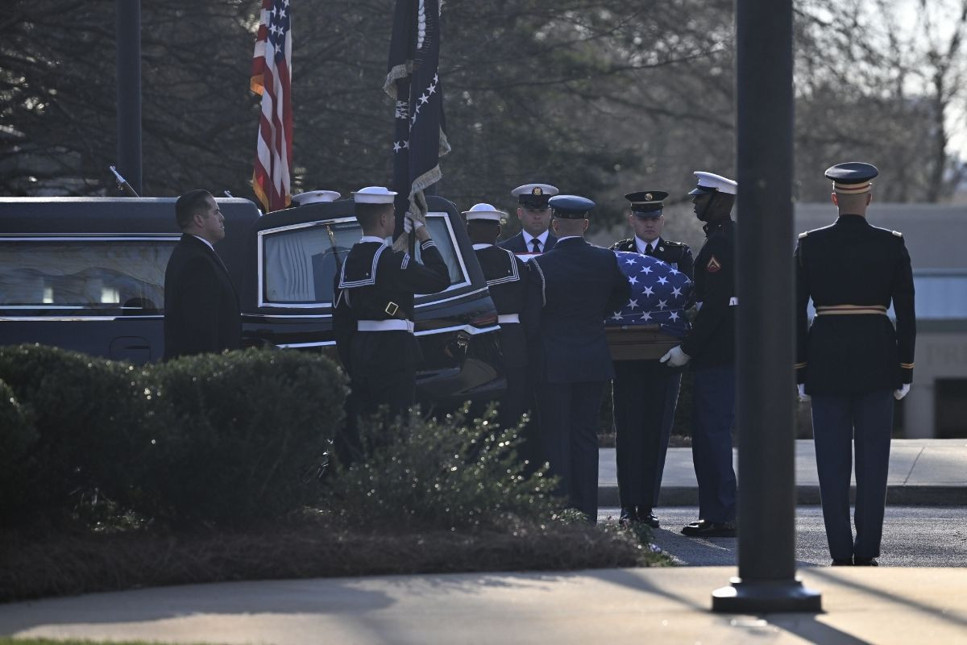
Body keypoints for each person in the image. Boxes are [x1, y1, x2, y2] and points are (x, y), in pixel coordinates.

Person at [795, 162, 916, 566]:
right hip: (877, 361)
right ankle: (867, 552)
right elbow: (908, 314)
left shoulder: (809, 244)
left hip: (825, 362)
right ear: (868, 198)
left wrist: (799, 369)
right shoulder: (891, 244)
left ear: (834, 199)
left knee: (831, 466)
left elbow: (795, 311)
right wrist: (905, 369)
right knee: (873, 463)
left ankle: (839, 552)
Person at [525, 195, 631, 522]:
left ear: (555, 225)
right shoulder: (605, 260)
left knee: (556, 437)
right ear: (585, 225)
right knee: (585, 437)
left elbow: (531, 318)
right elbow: (623, 296)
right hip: (593, 359)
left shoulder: (539, 265)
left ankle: (559, 513)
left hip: (554, 361)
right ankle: (587, 513)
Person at [332, 186, 451, 462]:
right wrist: (423, 235)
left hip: (361, 353)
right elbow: (440, 279)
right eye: (393, 213)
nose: (396, 219)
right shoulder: (393, 262)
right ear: (384, 220)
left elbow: (341, 319)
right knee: (396, 432)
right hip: (395, 353)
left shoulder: (347, 263)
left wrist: (352, 358)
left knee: (367, 432)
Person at [660, 171, 738, 538]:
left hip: (719, 354)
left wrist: (686, 350)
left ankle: (720, 514)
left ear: (720, 202)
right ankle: (721, 511)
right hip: (729, 352)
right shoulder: (727, 238)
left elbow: (716, 306)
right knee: (714, 434)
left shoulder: (720, 245)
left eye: (701, 197)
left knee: (712, 436)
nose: (694, 202)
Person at [610, 190, 694, 528]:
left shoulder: (679, 254)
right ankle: (628, 504)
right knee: (628, 431)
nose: (648, 223)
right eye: (642, 217)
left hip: (663, 354)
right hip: (626, 354)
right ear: (632, 220)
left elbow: (689, 296)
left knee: (657, 431)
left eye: (654, 217)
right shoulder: (618, 254)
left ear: (662, 220)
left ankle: (646, 505)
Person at [463, 203, 532, 435]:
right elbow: (530, 305)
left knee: (474, 409)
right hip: (511, 340)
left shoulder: (459, 262)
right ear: (498, 231)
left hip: (470, 342)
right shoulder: (516, 262)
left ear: (468, 230)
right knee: (513, 408)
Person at [163, 189, 241, 360]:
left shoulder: (191, 254)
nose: (222, 218)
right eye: (216, 212)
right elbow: (201, 333)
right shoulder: (197, 263)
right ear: (199, 220)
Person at [498, 183, 560, 255]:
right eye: (531, 211)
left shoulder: (562, 248)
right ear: (520, 213)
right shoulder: (503, 250)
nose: (537, 216)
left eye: (542, 211)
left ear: (550, 213)